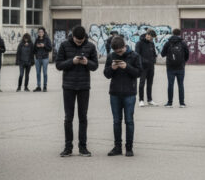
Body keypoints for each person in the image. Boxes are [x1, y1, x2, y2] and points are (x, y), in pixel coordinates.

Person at [54, 25, 99, 157]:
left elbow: (95, 66)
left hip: (84, 86)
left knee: (83, 117)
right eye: (77, 41)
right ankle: (68, 147)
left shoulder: (90, 46)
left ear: (84, 37)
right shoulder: (64, 45)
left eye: (81, 40)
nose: (79, 42)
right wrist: (72, 61)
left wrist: (87, 63)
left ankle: (83, 147)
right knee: (68, 118)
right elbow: (58, 64)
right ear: (72, 36)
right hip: (68, 86)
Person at [104, 36, 142, 157]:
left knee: (129, 121)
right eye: (116, 52)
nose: (118, 54)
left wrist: (127, 67)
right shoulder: (111, 56)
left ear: (124, 46)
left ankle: (129, 148)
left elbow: (139, 73)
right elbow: (106, 74)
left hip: (129, 93)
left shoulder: (134, 56)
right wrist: (112, 68)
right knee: (116, 121)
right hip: (114, 93)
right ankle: (117, 147)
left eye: (120, 51)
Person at [161, 28, 189, 107]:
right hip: (181, 67)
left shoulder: (168, 43)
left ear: (172, 33)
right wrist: (183, 62)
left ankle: (170, 103)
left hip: (170, 67)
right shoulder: (183, 43)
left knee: (170, 85)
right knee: (181, 85)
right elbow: (187, 54)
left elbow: (163, 54)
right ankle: (182, 103)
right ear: (180, 34)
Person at [135, 29, 158, 106]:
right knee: (142, 84)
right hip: (143, 67)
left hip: (151, 66)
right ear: (146, 34)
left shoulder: (152, 43)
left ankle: (149, 100)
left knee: (150, 84)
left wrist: (154, 59)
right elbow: (137, 55)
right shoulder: (139, 43)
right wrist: (144, 61)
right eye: (148, 35)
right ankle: (141, 100)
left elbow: (154, 53)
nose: (149, 36)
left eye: (151, 36)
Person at [33, 27, 53, 92]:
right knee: (38, 73)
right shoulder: (36, 39)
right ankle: (38, 86)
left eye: (41, 32)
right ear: (38, 33)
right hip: (37, 58)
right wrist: (37, 46)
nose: (40, 33)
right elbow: (33, 50)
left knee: (44, 73)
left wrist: (44, 46)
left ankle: (45, 86)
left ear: (44, 32)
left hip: (45, 58)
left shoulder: (47, 39)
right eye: (39, 32)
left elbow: (50, 49)